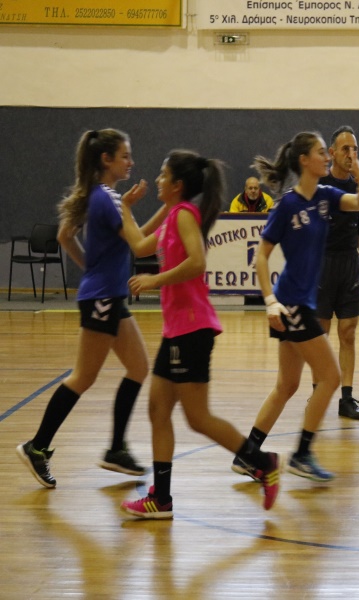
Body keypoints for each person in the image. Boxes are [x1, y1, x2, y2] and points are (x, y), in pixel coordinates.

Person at [119, 150, 280, 519]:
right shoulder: (173, 215)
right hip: (177, 329)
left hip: (192, 328)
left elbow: (197, 262)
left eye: (163, 175)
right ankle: (161, 499)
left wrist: (155, 280)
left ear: (177, 185)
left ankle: (262, 463)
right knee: (158, 409)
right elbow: (139, 244)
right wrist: (125, 208)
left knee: (198, 417)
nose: (157, 179)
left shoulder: (184, 215)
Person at [16, 128, 168, 489]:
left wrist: (92, 269)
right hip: (103, 298)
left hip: (106, 295)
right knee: (83, 377)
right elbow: (143, 246)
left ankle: (116, 448)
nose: (131, 162)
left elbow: (64, 236)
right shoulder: (109, 199)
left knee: (138, 367)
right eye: (125, 156)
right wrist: (174, 207)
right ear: (106, 159)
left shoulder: (99, 196)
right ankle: (38, 446)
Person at [231, 131, 359, 484]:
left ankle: (247, 454)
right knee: (330, 377)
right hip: (291, 304)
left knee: (287, 386)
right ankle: (302, 454)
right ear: (303, 160)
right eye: (320, 152)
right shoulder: (286, 205)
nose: (327, 156)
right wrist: (270, 301)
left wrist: (358, 171)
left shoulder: (327, 196)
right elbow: (261, 258)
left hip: (302, 303)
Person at [316, 126, 359, 420]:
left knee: (348, 331)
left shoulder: (358, 187)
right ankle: (319, 393)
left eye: (355, 149)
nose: (351, 154)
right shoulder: (318, 185)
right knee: (321, 333)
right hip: (322, 265)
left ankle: (347, 398)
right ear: (332, 153)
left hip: (349, 264)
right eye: (346, 149)